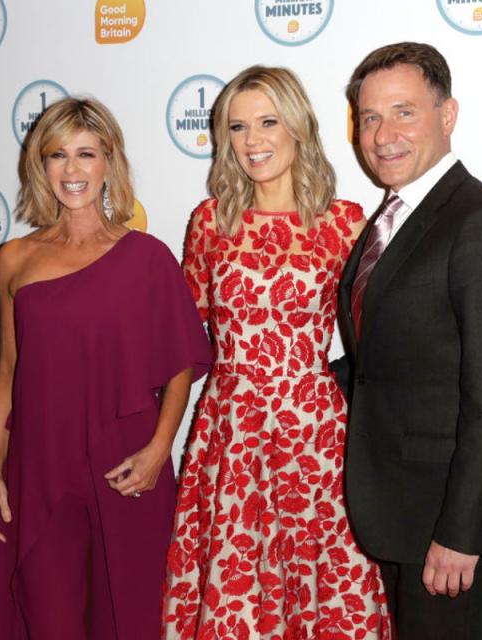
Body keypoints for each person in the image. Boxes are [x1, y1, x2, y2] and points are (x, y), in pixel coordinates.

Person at [163, 65, 391, 640]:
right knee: (233, 584)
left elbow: (380, 338)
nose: (252, 141)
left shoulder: (344, 224)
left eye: (268, 122)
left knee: (320, 582)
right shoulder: (210, 222)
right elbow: (185, 342)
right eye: (237, 127)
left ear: (298, 128)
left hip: (313, 432)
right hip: (230, 431)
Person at [0, 96, 211, 639]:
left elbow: (182, 364)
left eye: (86, 154)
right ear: (41, 165)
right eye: (58, 155)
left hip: (127, 465)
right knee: (47, 619)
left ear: (109, 160)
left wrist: (159, 449)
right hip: (38, 468)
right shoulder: (15, 258)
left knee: (128, 619)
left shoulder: (148, 257)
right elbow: (8, 371)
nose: (72, 170)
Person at [339, 42, 482, 639]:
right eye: (370, 117)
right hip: (398, 509)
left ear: (447, 115)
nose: (382, 135)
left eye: (404, 112)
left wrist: (460, 533)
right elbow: (386, 363)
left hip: (453, 528)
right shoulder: (390, 217)